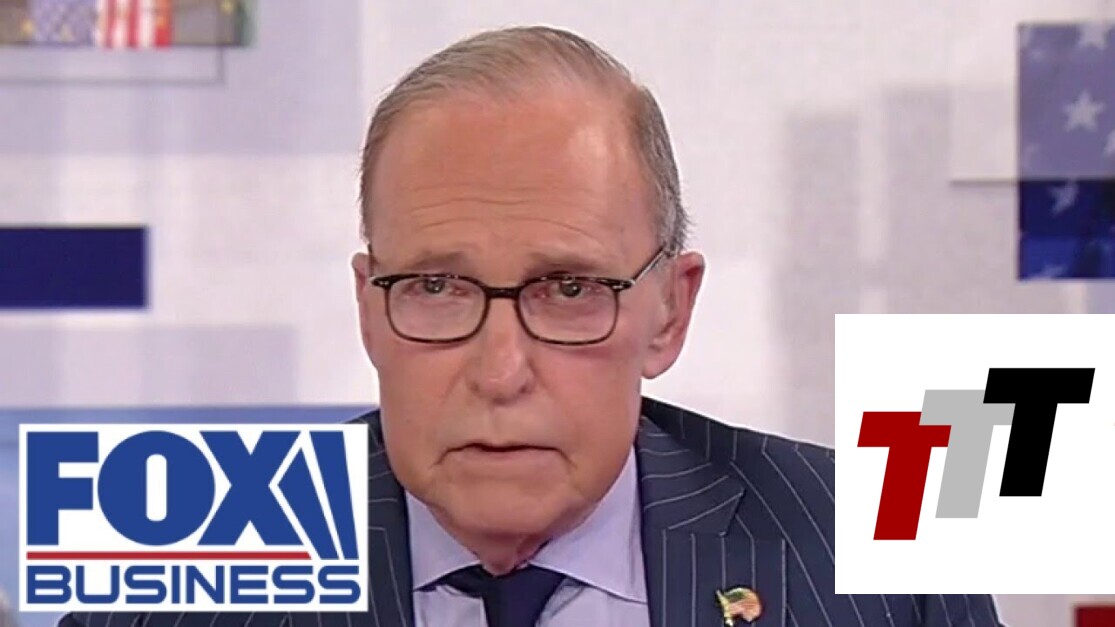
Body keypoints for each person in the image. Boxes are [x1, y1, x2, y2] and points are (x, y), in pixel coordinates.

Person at [61, 25, 1002, 627]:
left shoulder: (880, 555)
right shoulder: (168, 577)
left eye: (568, 289)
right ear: (369, 309)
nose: (500, 369)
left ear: (668, 312)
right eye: (436, 285)